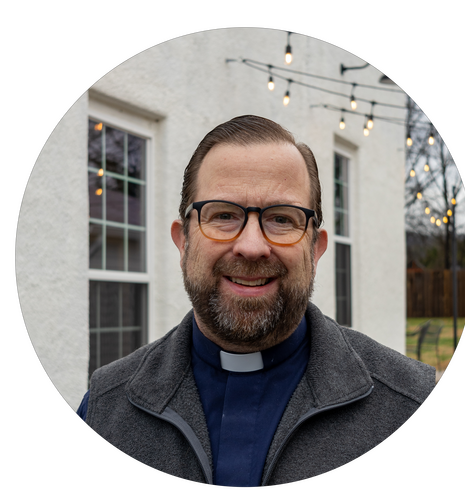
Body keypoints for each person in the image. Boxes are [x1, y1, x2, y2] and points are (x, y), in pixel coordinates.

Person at [77, 115, 436, 488]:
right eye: (223, 215)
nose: (251, 247)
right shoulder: (105, 411)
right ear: (183, 242)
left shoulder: (409, 404)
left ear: (316, 250)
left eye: (281, 219)